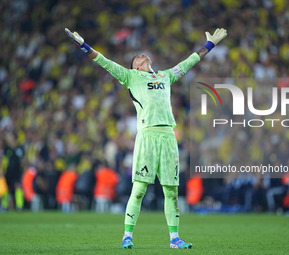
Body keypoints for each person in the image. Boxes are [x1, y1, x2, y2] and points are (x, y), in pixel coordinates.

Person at [65, 27, 227, 249]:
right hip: (148, 135)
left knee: (171, 191)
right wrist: (84, 46)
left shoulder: (165, 76)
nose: (141, 55)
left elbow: (189, 62)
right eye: (136, 58)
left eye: (141, 55)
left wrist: (209, 45)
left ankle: (174, 239)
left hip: (169, 136)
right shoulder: (130, 77)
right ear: (135, 66)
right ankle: (127, 236)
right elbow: (104, 62)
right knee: (139, 189)